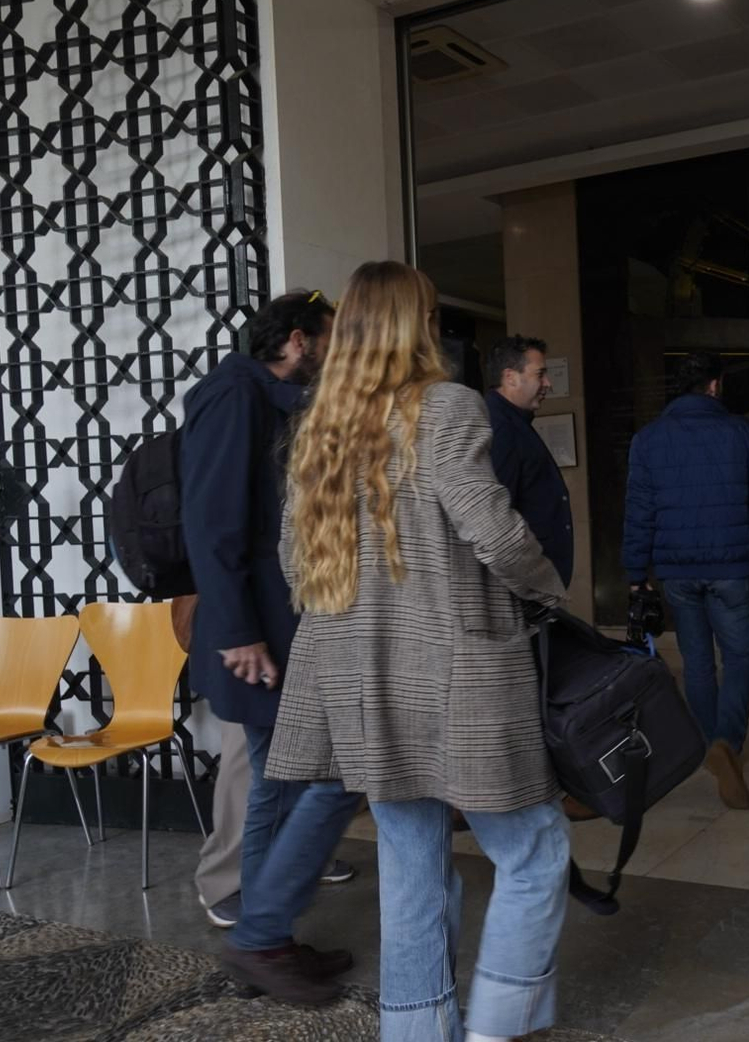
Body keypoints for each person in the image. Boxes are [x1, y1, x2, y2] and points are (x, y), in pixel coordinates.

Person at [257, 261, 572, 1034]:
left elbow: (297, 567)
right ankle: (499, 1024)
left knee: (411, 861)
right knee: (534, 845)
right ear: (415, 325)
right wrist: (545, 590)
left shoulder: (321, 424)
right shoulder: (448, 407)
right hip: (457, 668)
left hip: (361, 679)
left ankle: (417, 1030)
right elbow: (494, 530)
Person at [179, 290, 356, 936]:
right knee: (274, 774)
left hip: (281, 622)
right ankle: (260, 927)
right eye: (330, 338)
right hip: (256, 631)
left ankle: (271, 907)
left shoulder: (271, 397)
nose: (337, 351)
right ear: (299, 340)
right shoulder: (233, 394)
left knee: (288, 770)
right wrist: (238, 632)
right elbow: (212, 523)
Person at [621, 352, 749, 810]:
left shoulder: (648, 440)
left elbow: (639, 513)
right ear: (715, 387)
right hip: (732, 567)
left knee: (698, 662)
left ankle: (709, 746)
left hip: (678, 570)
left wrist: (635, 573)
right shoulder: (740, 432)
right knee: (739, 657)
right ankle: (727, 744)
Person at [484, 335, 572, 586]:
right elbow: (496, 518)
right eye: (540, 374)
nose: (548, 384)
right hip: (525, 590)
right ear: (510, 377)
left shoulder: (515, 422)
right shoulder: (501, 428)